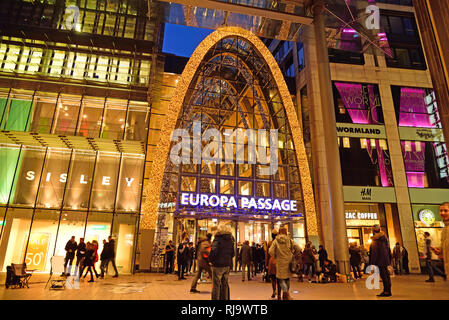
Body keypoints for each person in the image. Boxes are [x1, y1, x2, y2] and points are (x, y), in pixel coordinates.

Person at [268, 227, 301, 300]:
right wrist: (293, 254)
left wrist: (275, 256)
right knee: (287, 279)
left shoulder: (276, 241)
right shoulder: (289, 240)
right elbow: (298, 248)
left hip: (279, 263)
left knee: (280, 279)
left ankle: (285, 293)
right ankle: (286, 294)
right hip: (289, 262)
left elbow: (270, 251)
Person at [208, 224, 235, 300]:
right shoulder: (231, 239)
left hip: (218, 265)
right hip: (227, 265)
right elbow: (233, 253)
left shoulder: (217, 238)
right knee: (225, 284)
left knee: (216, 284)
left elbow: (213, 251)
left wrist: (211, 260)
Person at [369, 225, 392, 297]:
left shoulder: (376, 240)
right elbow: (388, 250)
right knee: (386, 275)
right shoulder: (384, 238)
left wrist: (373, 262)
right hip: (385, 259)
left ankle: (386, 291)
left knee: (383, 275)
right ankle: (388, 290)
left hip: (379, 260)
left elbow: (375, 252)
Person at [266, 229, 279, 299]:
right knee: (279, 278)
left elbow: (267, 255)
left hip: (271, 262)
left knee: (273, 278)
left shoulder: (270, 243)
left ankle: (274, 290)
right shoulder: (279, 243)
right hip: (279, 262)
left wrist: (266, 264)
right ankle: (279, 293)